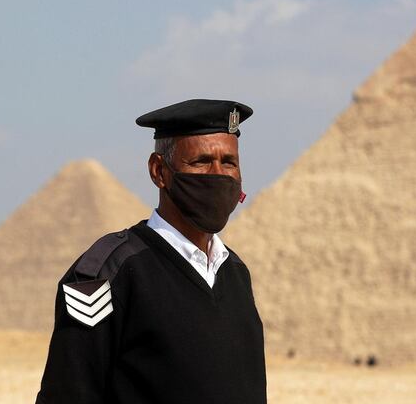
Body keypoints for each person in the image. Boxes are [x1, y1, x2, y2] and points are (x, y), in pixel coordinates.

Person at [36, 99, 266, 404]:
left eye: (229, 162)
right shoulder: (106, 275)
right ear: (159, 171)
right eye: (201, 161)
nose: (218, 174)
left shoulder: (235, 272)